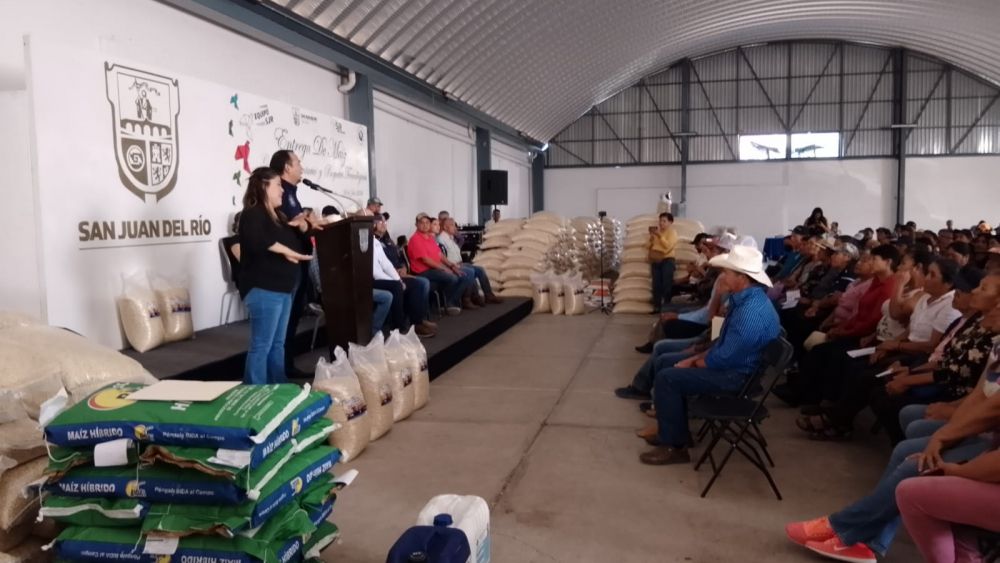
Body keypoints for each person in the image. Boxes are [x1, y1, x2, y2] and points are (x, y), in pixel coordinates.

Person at [785, 333, 1000, 563]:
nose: (975, 293)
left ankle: (844, 527)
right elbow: (982, 400)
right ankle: (868, 541)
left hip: (990, 449)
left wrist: (954, 468)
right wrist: (944, 435)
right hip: (984, 436)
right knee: (906, 450)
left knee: (913, 472)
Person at [639, 245, 781, 465]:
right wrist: (695, 356)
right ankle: (675, 431)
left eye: (727, 272)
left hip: (736, 376)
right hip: (734, 367)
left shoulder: (750, 311)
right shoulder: (745, 301)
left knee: (668, 378)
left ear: (742, 278)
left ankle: (675, 447)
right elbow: (722, 343)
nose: (722, 276)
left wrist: (695, 361)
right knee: (669, 364)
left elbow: (724, 357)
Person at [237, 167, 313, 385]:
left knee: (277, 343)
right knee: (262, 344)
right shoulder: (252, 214)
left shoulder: (279, 216)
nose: (282, 190)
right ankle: (255, 393)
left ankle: (278, 388)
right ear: (263, 186)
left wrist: (303, 226)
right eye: (278, 185)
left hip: (283, 289)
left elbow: (295, 242)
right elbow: (257, 241)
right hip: (263, 289)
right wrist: (287, 252)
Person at [269, 149, 322, 378]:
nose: (301, 166)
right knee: (284, 322)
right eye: (298, 162)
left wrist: (307, 221)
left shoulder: (291, 192)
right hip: (286, 266)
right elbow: (292, 224)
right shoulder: (280, 192)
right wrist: (305, 222)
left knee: (291, 319)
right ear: (287, 167)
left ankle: (286, 366)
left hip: (298, 264)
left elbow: (299, 222)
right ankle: (281, 370)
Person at [374, 214, 436, 337]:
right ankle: (400, 327)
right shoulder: (372, 241)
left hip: (396, 274)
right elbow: (379, 269)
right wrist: (397, 280)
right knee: (418, 283)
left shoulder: (387, 240)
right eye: (379, 222)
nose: (384, 224)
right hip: (383, 277)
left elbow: (397, 258)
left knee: (418, 284)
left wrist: (402, 267)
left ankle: (417, 322)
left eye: (384, 222)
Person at [407, 213, 474, 315]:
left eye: (427, 223)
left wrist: (451, 265)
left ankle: (450, 302)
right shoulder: (415, 239)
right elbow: (426, 260)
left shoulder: (429, 238)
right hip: (423, 271)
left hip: (434, 269)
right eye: (422, 223)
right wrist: (443, 269)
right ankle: (446, 304)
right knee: (452, 277)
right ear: (416, 224)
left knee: (464, 275)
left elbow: (440, 255)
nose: (425, 225)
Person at [439, 217, 501, 304]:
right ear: (445, 227)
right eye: (452, 225)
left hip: (459, 263)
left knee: (480, 269)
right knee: (470, 271)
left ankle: (488, 295)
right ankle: (467, 299)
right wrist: (453, 266)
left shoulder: (451, 238)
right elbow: (442, 257)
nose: (455, 228)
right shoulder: (441, 239)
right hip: (453, 265)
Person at [648, 212, 678, 313]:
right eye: (660, 221)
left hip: (667, 260)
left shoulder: (672, 233)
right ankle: (657, 306)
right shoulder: (657, 233)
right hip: (656, 260)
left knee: (666, 284)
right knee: (656, 284)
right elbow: (649, 246)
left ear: (670, 222)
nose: (661, 223)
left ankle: (666, 307)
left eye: (664, 221)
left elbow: (668, 246)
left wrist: (660, 236)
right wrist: (652, 238)